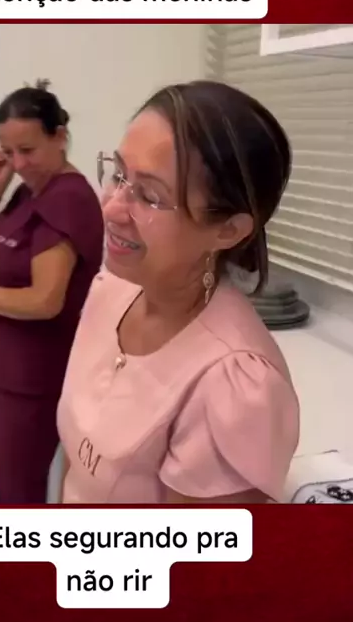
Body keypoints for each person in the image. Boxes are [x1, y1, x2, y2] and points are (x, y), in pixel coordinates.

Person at [57, 80, 300, 505]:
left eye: (150, 197)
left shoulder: (232, 386)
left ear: (227, 230)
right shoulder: (112, 289)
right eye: (118, 175)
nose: (111, 208)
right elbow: (76, 466)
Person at [0, 80, 104, 505]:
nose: (19, 163)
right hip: (2, 367)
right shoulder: (27, 190)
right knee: (3, 481)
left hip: (33, 376)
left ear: (60, 137)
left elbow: (45, 299)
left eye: (28, 149)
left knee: (18, 491)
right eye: (8, 152)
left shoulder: (67, 198)